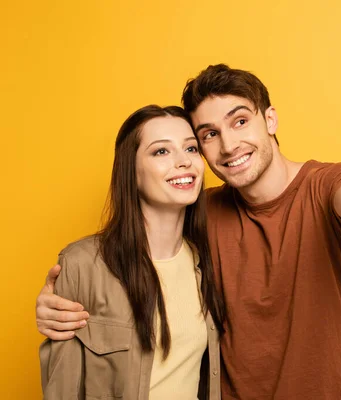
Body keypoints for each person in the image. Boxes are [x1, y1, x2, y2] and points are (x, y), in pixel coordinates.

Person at [36, 64, 341, 399]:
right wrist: (60, 300)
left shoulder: (325, 188)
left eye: (240, 122)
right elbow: (133, 263)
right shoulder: (199, 212)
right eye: (209, 134)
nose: (228, 145)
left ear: (270, 119)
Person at [39, 105, 225, 400]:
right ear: (131, 171)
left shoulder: (210, 259)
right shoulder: (82, 265)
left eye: (190, 149)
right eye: (161, 152)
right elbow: (61, 390)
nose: (183, 162)